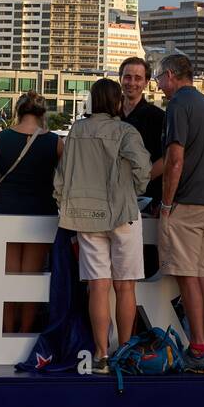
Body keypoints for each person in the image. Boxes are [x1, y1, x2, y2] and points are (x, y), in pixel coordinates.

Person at [52, 78, 151, 373]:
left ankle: (101, 354)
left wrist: (64, 202)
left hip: (86, 214)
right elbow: (143, 168)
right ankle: (125, 350)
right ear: (116, 101)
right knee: (125, 287)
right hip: (122, 212)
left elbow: (61, 177)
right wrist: (133, 188)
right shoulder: (125, 131)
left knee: (98, 286)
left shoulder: (77, 130)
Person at [156, 53, 204, 373]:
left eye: (158, 78)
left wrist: (167, 204)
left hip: (189, 201)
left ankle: (198, 347)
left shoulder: (178, 106)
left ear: (171, 75)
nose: (158, 85)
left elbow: (175, 160)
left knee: (187, 278)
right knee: (202, 275)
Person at [0, 89, 63, 334]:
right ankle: (23, 335)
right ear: (42, 113)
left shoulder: (0, 138)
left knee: (8, 280)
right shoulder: (56, 142)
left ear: (18, 111)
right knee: (30, 281)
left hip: (5, 214)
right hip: (40, 216)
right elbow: (68, 181)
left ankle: (6, 330)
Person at [118, 57, 166, 212]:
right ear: (120, 79)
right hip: (111, 196)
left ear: (146, 83)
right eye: (127, 77)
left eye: (138, 78)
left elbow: (167, 158)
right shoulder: (109, 114)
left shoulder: (158, 117)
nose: (132, 83)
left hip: (147, 197)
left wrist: (139, 181)